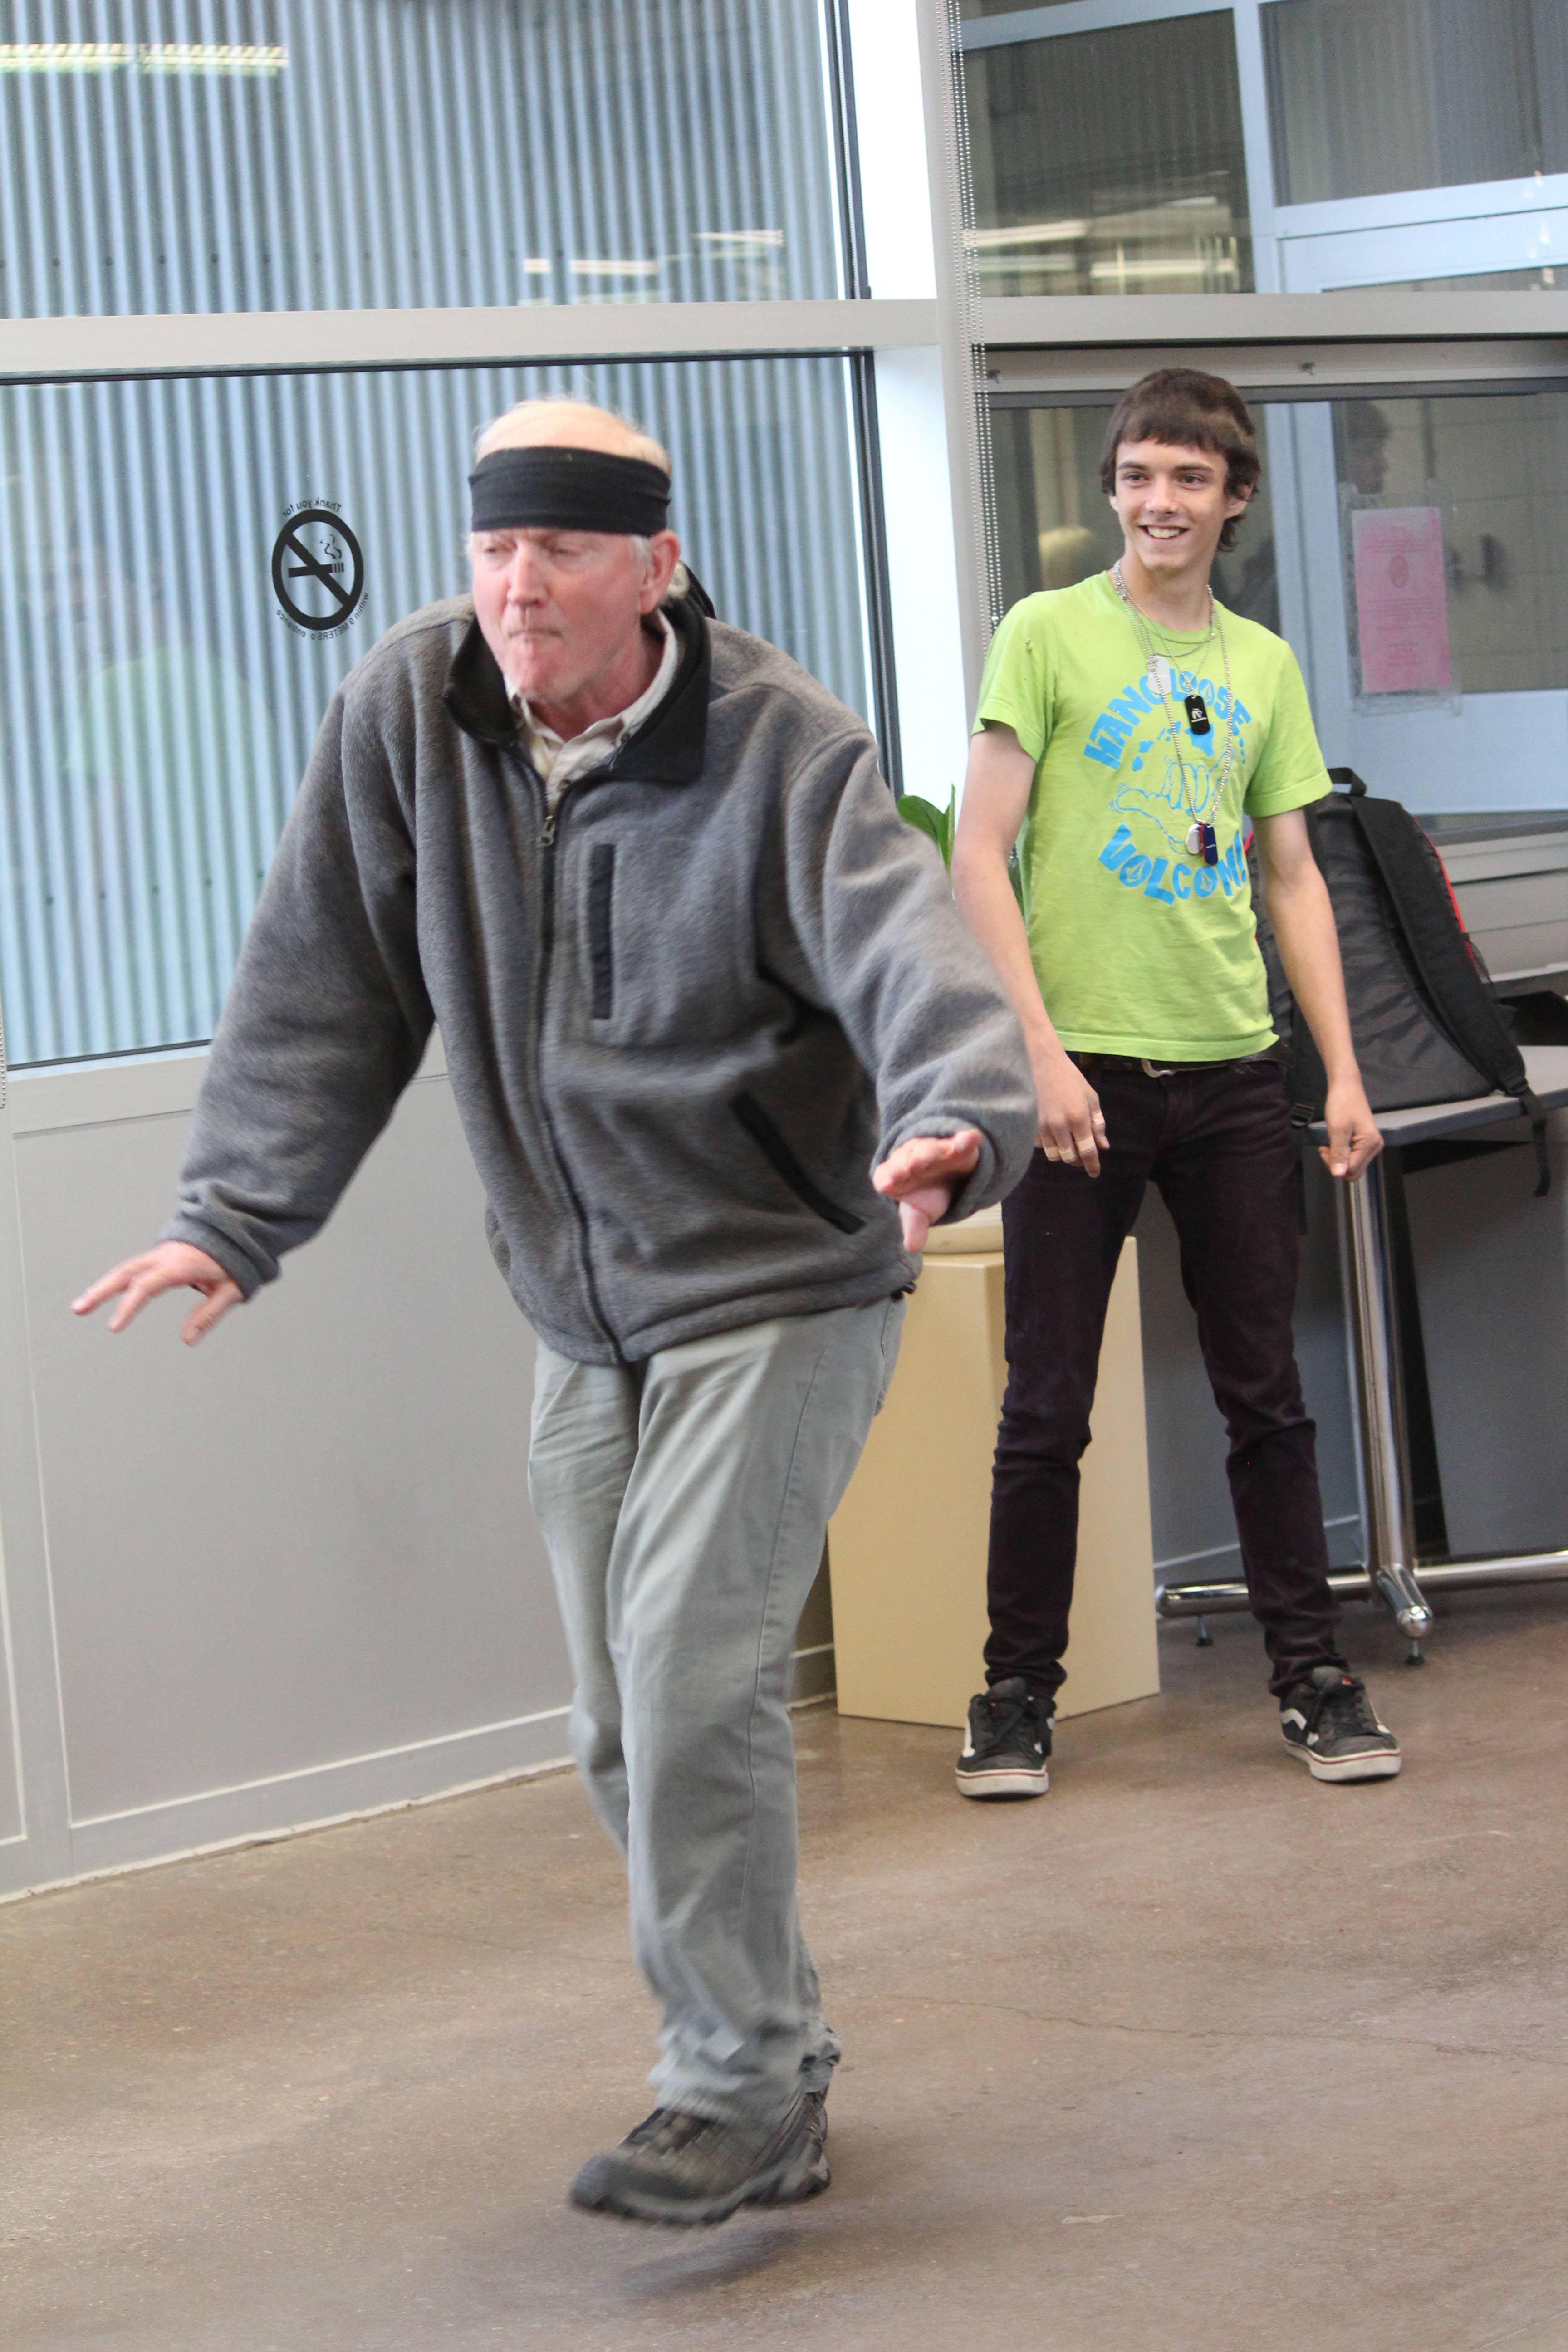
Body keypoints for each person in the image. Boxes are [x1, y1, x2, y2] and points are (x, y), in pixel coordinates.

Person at [74, 397, 1037, 2225]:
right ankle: (785, 2054)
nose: (521, 586)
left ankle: (734, 2086)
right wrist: (233, 1215)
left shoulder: (780, 746)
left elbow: (911, 954)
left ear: (655, 565)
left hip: (779, 1276)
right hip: (585, 1304)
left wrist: (953, 1121)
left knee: (690, 1677)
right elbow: (322, 984)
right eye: (498, 548)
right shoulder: (413, 713)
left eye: (565, 550)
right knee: (620, 1722)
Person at [951, 368, 1402, 1801]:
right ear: (1114, 488)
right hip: (1078, 1076)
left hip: (1232, 1078)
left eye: (1190, 480)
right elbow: (977, 854)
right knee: (1047, 1407)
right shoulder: (1046, 634)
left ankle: (1314, 1680)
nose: (1161, 502)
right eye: (1141, 475)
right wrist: (1037, 1052)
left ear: (1234, 499)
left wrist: (1340, 1070)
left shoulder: (1262, 666)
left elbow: (1291, 874)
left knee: (1264, 1396)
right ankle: (1016, 1695)